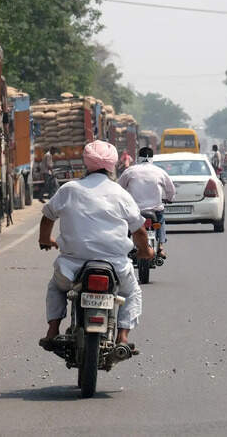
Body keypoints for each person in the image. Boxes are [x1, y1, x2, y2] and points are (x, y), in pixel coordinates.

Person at [39, 140, 152, 352]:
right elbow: (139, 230)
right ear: (113, 165)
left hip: (72, 268)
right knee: (132, 292)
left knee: (56, 287)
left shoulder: (69, 189)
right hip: (115, 268)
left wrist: (45, 240)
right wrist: (146, 251)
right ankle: (123, 337)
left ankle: (52, 331)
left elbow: (47, 217)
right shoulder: (120, 193)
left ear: (85, 162)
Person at [117, 146, 176, 260]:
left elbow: (119, 188)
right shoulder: (160, 171)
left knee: (127, 227)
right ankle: (161, 248)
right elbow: (171, 190)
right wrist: (170, 198)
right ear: (152, 158)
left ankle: (126, 247)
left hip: (135, 211)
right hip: (155, 211)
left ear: (138, 158)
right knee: (161, 222)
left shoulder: (130, 171)